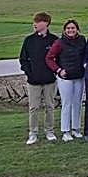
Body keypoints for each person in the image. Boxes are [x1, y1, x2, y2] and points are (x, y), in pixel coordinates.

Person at [19, 12, 58, 145]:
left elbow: (58, 59)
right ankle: (33, 133)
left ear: (46, 23)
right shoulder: (29, 40)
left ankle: (49, 131)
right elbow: (23, 59)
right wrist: (29, 73)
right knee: (34, 107)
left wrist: (55, 72)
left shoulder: (54, 40)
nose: (34, 24)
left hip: (49, 80)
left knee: (49, 106)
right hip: (33, 81)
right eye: (34, 21)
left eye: (38, 21)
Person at [45, 18, 86, 142]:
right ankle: (65, 131)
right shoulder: (59, 42)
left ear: (77, 29)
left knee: (77, 103)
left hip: (79, 76)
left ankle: (76, 128)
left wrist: (85, 64)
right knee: (67, 103)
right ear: (64, 30)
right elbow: (49, 58)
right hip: (65, 77)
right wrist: (58, 70)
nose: (71, 30)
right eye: (68, 28)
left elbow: (85, 54)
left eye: (73, 28)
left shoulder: (82, 40)